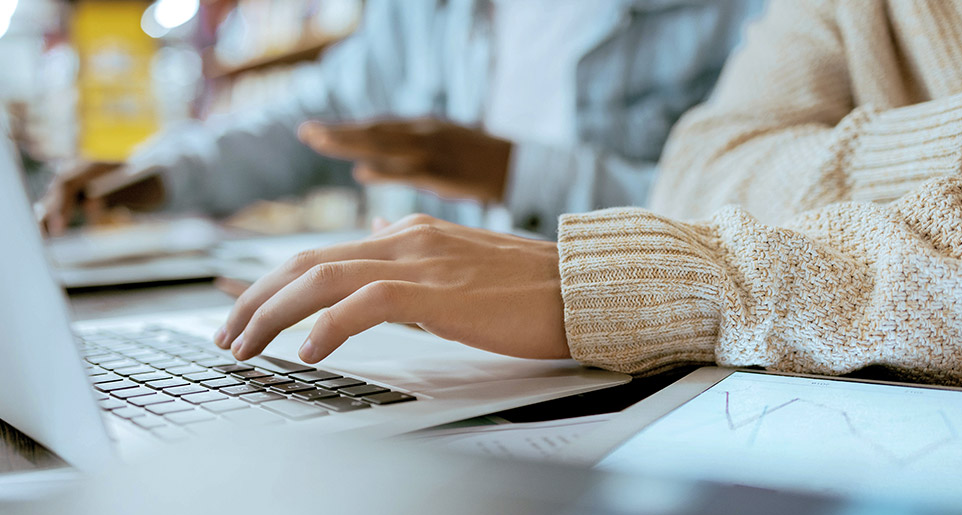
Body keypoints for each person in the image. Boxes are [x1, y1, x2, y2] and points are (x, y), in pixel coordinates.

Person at [212, 0, 962, 391]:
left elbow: (681, 219)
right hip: (530, 334)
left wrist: (640, 272)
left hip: (667, 331)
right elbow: (700, 175)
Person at [41, 0, 763, 239]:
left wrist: (513, 172)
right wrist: (168, 170)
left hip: (644, 364)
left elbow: (767, 206)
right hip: (452, 362)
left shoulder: (733, 15)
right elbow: (314, 120)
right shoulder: (421, 11)